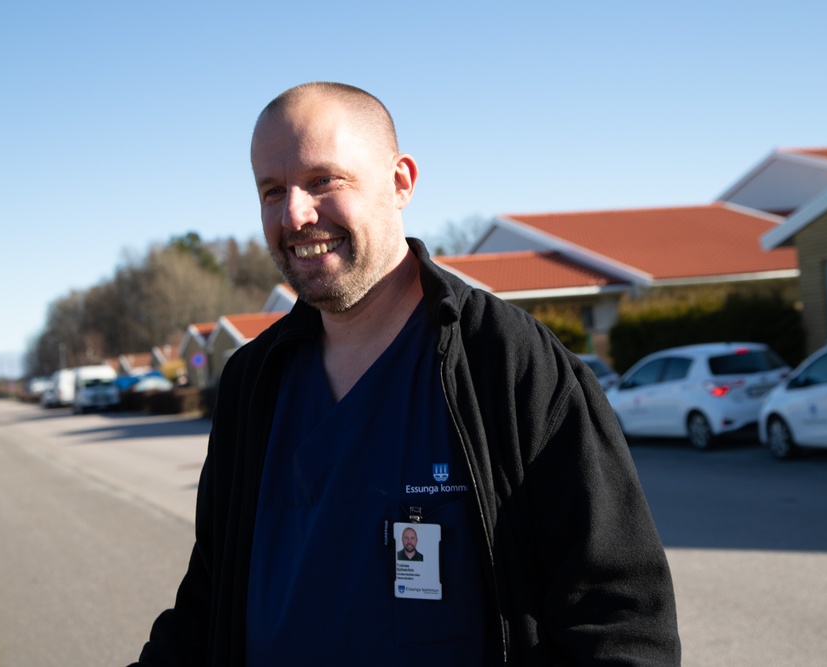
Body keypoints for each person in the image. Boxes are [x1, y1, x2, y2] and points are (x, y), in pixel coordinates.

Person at [132, 82, 680, 666]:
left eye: (323, 180)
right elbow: (209, 602)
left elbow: (619, 620)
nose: (294, 213)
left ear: (400, 182)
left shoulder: (509, 365)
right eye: (272, 190)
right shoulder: (251, 385)